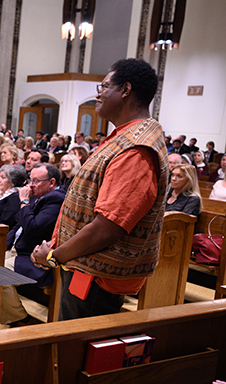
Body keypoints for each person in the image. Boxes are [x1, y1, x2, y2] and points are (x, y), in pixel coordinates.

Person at [31, 58, 168, 321]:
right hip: (85, 268)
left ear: (125, 90)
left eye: (104, 86)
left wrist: (53, 256)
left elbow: (108, 227)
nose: (98, 94)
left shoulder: (136, 150)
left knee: (74, 352)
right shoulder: (126, 136)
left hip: (97, 278)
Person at [4, 163, 67, 326]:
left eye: (36, 181)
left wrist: (24, 202)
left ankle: (22, 320)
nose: (30, 185)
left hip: (36, 259)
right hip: (18, 250)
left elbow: (33, 228)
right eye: (30, 180)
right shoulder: (40, 196)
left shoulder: (56, 199)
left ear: (52, 182)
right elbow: (19, 224)